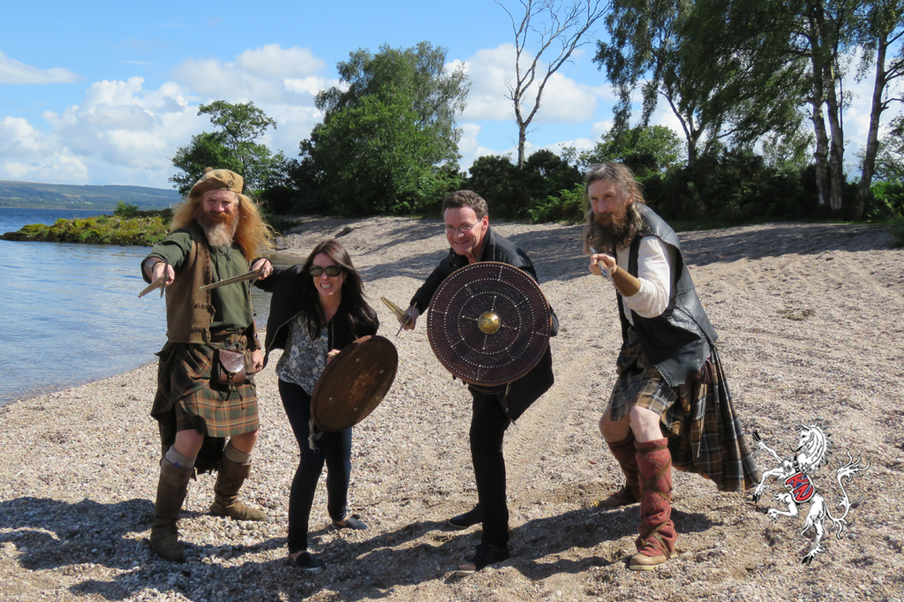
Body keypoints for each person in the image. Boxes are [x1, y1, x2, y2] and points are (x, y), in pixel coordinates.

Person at [583, 163, 760, 571]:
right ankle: (635, 486)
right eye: (594, 200)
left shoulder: (651, 236)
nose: (601, 207)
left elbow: (654, 301)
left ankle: (659, 535)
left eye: (608, 197)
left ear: (629, 195)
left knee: (643, 419)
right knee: (611, 427)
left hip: (678, 345)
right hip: (643, 344)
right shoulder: (613, 230)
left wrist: (614, 272)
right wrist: (611, 269)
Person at [403, 190, 557, 576]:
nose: (457, 235)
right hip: (483, 365)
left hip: (517, 367)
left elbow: (538, 322)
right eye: (450, 228)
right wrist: (416, 307)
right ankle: (487, 507)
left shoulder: (510, 260)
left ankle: (496, 542)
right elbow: (441, 273)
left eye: (465, 227)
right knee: (482, 437)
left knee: (484, 440)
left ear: (484, 224)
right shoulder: (460, 253)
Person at [141, 168, 274, 562]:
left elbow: (242, 305)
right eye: (211, 202)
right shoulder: (187, 239)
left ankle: (225, 501)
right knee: (190, 438)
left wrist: (254, 343)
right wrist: (157, 269)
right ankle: (162, 528)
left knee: (247, 432)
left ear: (238, 209)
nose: (218, 208)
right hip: (195, 354)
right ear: (198, 205)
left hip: (235, 353)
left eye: (226, 203)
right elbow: (161, 254)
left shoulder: (239, 248)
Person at [253, 239, 379, 571]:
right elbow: (262, 276)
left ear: (345, 274)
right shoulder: (297, 284)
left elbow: (369, 365)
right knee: (312, 456)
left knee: (340, 460)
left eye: (332, 270)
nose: (324, 277)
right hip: (294, 383)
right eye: (317, 270)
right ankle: (296, 547)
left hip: (336, 394)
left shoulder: (362, 316)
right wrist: (259, 263)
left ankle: (338, 514)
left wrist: (345, 360)